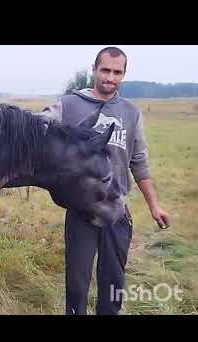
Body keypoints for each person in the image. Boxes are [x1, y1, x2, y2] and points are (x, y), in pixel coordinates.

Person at [39, 46, 170, 315]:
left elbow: (139, 163)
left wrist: (154, 207)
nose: (110, 77)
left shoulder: (131, 114)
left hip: (117, 210)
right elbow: (35, 129)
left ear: (123, 74)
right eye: (105, 70)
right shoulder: (68, 105)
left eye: (117, 72)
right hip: (81, 211)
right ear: (94, 70)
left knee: (113, 283)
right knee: (76, 283)